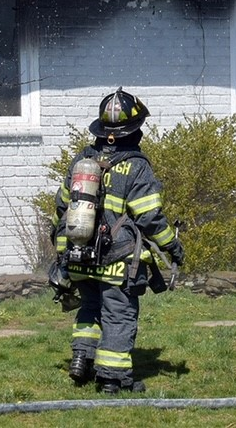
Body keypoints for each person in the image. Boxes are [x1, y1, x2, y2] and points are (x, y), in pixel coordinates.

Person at [52, 88, 184, 394]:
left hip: (81, 254)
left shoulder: (82, 160)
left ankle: (81, 359)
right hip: (118, 258)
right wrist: (172, 246)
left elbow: (61, 203)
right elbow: (150, 217)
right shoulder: (137, 167)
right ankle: (112, 378)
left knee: (90, 307)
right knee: (118, 314)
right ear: (134, 131)